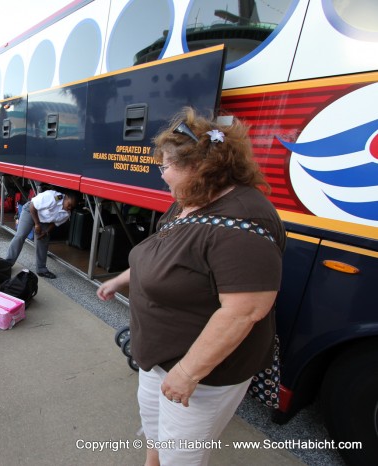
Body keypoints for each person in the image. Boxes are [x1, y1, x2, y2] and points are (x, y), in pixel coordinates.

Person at [97, 107, 285, 466]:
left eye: (165, 165)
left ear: (199, 167)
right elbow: (165, 254)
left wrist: (187, 372)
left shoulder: (242, 223)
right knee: (155, 432)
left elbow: (244, 311)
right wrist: (123, 279)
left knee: (180, 454)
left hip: (200, 375)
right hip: (157, 358)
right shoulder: (192, 201)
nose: (161, 174)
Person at [5, 188, 78, 278]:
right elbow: (32, 206)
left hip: (44, 220)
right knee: (20, 236)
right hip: (31, 212)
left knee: (43, 241)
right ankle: (7, 264)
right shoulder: (53, 197)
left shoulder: (67, 214)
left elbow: (54, 223)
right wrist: (37, 224)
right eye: (69, 204)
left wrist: (46, 232)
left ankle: (41, 269)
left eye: (72, 207)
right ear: (65, 197)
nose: (69, 208)